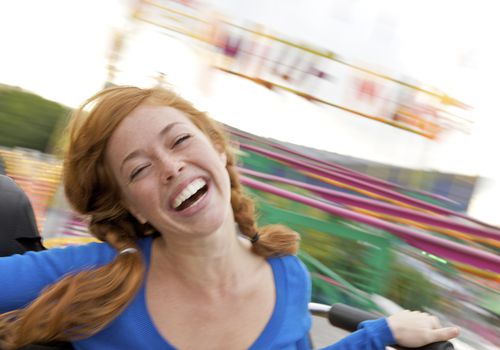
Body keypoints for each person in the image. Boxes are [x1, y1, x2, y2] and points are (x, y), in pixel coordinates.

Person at [0, 86, 459, 349]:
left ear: (217, 148)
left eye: (179, 140)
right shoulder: (96, 276)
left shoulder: (288, 274)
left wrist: (380, 334)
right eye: (139, 169)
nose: (170, 166)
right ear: (133, 206)